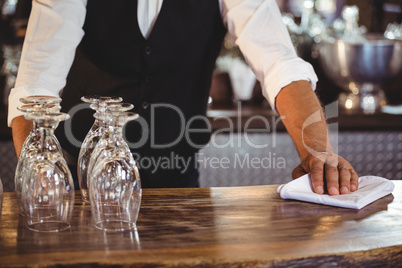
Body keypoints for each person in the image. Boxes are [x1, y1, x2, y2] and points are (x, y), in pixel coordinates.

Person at [9, 0, 358, 194]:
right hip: (82, 181)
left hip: (177, 180)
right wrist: (38, 176)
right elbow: (36, 83)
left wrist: (318, 153)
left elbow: (279, 63)